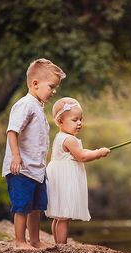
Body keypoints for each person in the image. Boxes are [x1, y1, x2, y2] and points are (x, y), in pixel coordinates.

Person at [2, 58, 66, 249]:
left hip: (36, 169)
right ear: (35, 84)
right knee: (22, 206)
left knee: (36, 207)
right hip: (21, 168)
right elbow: (12, 131)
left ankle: (35, 240)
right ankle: (20, 241)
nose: (54, 91)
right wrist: (15, 155)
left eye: (56, 88)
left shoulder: (37, 106)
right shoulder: (25, 105)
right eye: (51, 86)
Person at [45, 97, 110, 244]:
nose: (79, 123)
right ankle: (61, 246)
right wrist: (99, 153)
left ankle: (58, 244)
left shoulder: (62, 137)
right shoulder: (70, 140)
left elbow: (80, 152)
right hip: (64, 180)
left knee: (59, 215)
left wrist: (94, 151)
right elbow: (81, 156)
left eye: (81, 119)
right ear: (60, 121)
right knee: (64, 216)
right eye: (75, 120)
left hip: (58, 178)